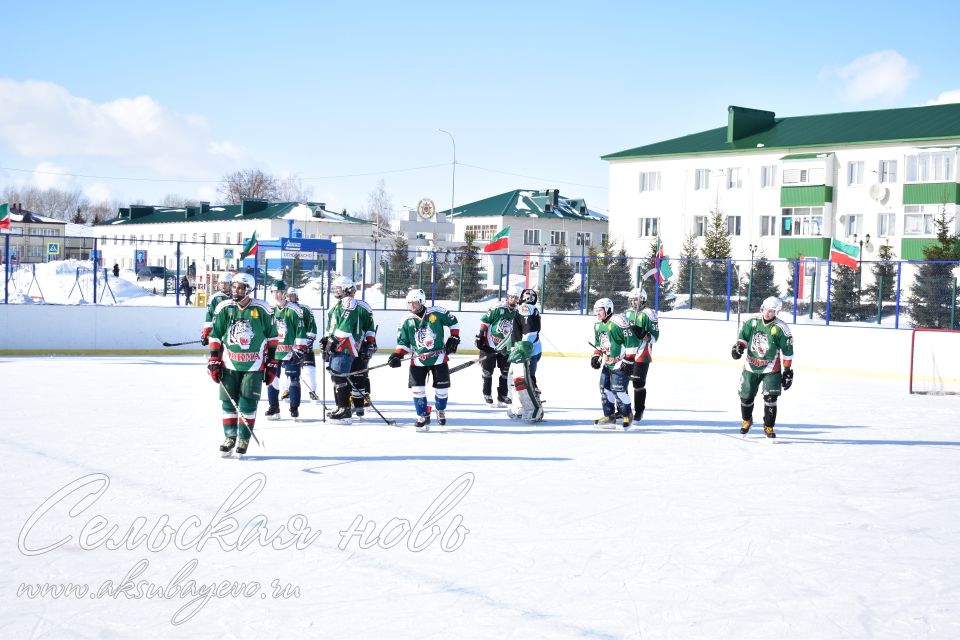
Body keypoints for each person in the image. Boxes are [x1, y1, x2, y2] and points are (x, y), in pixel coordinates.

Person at [206, 272, 278, 456]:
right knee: (228, 403)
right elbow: (215, 335)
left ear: (249, 289)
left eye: (240, 287)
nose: (236, 290)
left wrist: (272, 362)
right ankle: (230, 437)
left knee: (247, 402)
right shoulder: (224, 308)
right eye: (234, 287)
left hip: (254, 366)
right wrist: (214, 358)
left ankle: (244, 439)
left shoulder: (262, 309)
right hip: (229, 363)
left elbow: (272, 337)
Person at [388, 288, 460, 431]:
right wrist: (397, 354)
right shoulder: (406, 320)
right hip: (418, 360)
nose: (411, 306)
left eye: (414, 303)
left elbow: (454, 322)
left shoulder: (437, 313)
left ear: (421, 301)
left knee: (442, 390)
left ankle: (440, 410)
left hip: (439, 358)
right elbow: (403, 343)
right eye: (409, 303)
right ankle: (422, 415)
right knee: (417, 389)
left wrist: (454, 337)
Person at [732, 296, 794, 438]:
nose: (767, 313)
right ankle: (747, 420)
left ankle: (768, 426)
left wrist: (787, 371)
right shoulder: (752, 322)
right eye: (766, 309)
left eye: (771, 311)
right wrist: (738, 348)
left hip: (771, 369)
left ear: (776, 312)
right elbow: (743, 339)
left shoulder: (781, 328)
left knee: (771, 399)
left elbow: (788, 352)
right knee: (746, 398)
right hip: (750, 367)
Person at [321, 275, 376, 424]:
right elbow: (331, 327)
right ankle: (341, 407)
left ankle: (345, 410)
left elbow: (347, 326)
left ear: (347, 289)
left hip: (346, 345)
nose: (335, 291)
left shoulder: (350, 303)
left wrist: (370, 343)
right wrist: (326, 340)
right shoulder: (336, 306)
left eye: (338, 288)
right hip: (339, 345)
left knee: (342, 376)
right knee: (337, 376)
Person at [590, 297, 637, 429]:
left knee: (619, 391)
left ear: (608, 309)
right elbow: (600, 344)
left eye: (599, 310)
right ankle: (610, 417)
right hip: (608, 363)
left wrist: (629, 360)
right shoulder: (598, 325)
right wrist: (596, 356)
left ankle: (627, 415)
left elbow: (632, 341)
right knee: (604, 389)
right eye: (596, 311)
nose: (597, 313)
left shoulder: (618, 322)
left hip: (620, 362)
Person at [265, 280, 307, 420]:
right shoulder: (270, 310)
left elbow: (301, 331)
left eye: (278, 292)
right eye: (273, 292)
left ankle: (294, 408)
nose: (276, 295)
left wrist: (299, 349)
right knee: (271, 379)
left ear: (284, 293)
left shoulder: (294, 310)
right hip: (274, 351)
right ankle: (274, 407)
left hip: (290, 351)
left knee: (293, 380)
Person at [475, 284, 521, 406]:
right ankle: (487, 394)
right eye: (511, 297)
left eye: (516, 298)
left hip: (506, 348)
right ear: (508, 297)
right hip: (490, 345)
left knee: (505, 372)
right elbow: (485, 320)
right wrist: (480, 335)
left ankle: (502, 396)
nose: (513, 300)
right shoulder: (498, 307)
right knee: (487, 372)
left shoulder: (519, 312)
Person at [507, 287, 544, 422]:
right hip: (529, 349)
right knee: (517, 378)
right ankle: (521, 407)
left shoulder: (525, 308)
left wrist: (522, 349)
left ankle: (534, 409)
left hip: (526, 351)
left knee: (523, 379)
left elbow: (529, 331)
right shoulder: (530, 308)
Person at [624, 288, 660, 422]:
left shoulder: (649, 314)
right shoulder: (627, 314)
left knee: (638, 383)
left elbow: (655, 337)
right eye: (632, 299)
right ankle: (623, 410)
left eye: (636, 299)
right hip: (627, 352)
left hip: (642, 353)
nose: (634, 302)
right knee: (621, 382)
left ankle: (639, 410)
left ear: (643, 299)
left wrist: (644, 334)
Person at [284, 288, 320, 402]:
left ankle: (312, 391)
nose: (290, 298)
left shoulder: (305, 309)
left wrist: (307, 343)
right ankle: (286, 391)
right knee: (287, 370)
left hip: (304, 345)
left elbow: (312, 327)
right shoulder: (282, 310)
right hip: (288, 347)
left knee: (309, 369)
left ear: (296, 297)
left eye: (292, 296)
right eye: (288, 296)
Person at [200, 273, 233, 346]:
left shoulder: (237, 297)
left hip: (233, 330)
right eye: (221, 283)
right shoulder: (215, 298)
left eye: (226, 283)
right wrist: (206, 332)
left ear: (231, 284)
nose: (223, 285)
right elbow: (210, 316)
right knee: (216, 352)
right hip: (219, 330)